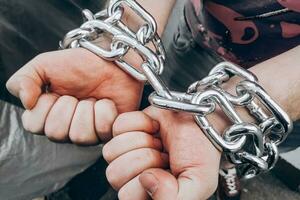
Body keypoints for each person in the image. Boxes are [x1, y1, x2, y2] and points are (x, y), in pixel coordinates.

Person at [3, 0, 300, 199]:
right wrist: (122, 40)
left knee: (248, 138)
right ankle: (221, 150)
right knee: (172, 103)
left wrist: (232, 115)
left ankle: (226, 160)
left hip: (286, 101)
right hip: (196, 36)